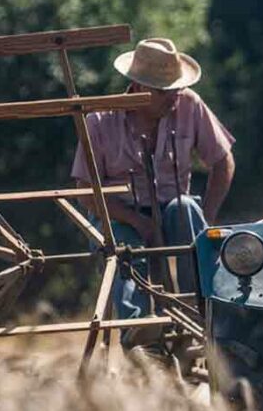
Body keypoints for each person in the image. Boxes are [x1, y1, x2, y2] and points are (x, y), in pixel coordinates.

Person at [72, 38, 235, 320]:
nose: (173, 97)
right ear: (138, 87)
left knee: (187, 213)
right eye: (163, 92)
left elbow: (223, 162)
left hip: (172, 206)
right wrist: (137, 221)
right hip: (120, 214)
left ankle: (203, 313)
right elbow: (86, 192)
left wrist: (206, 220)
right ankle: (139, 332)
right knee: (123, 250)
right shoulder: (100, 121)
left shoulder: (188, 105)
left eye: (176, 88)